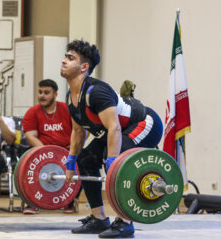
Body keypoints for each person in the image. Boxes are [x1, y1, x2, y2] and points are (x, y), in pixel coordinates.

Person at [61, 40, 163, 238]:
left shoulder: (96, 91)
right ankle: (99, 219)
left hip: (145, 123)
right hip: (119, 129)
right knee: (86, 160)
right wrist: (71, 162)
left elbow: (114, 128)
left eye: (70, 58)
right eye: (65, 56)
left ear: (84, 67)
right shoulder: (70, 96)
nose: (64, 61)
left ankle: (125, 223)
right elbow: (78, 131)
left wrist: (112, 163)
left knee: (117, 161)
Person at [21, 79, 79, 214]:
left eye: (46, 93)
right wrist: (46, 153)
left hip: (66, 151)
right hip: (41, 152)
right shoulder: (32, 112)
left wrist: (75, 147)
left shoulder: (66, 109)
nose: (42, 96)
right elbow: (30, 136)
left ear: (55, 94)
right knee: (28, 163)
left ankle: (68, 200)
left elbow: (82, 130)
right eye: (40, 92)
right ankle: (31, 202)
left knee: (84, 159)